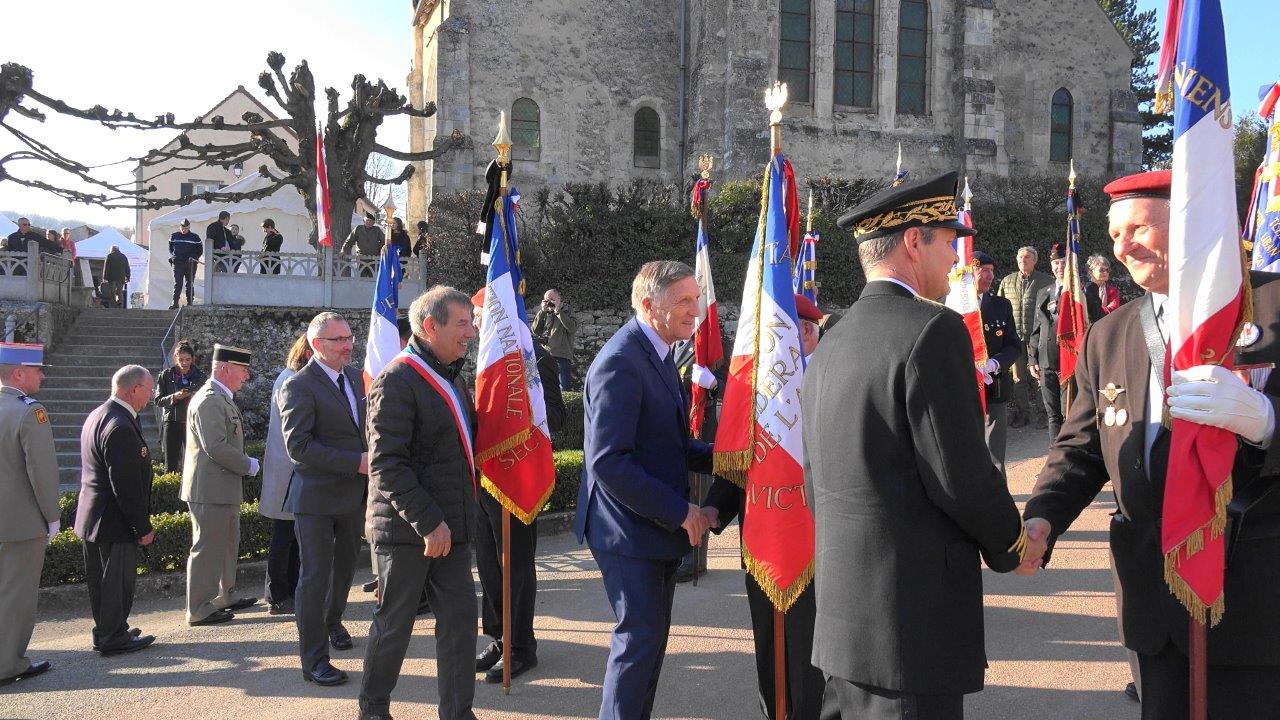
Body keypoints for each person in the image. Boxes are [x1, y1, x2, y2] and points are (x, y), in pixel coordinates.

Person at [1021, 169, 1280, 718]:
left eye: (1138, 229)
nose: (1122, 248)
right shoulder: (1109, 333)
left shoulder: (1272, 304)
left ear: (1191, 223)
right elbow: (1081, 446)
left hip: (1254, 602)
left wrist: (1268, 422)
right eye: (1114, 235)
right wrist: (1041, 517)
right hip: (1151, 604)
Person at [803, 172, 1037, 719]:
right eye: (948, 241)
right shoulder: (934, 332)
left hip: (842, 625)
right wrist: (1012, 545)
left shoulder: (831, 342)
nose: (957, 258)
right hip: (909, 626)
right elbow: (961, 474)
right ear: (914, 241)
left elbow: (817, 483)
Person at [573, 260, 714, 720]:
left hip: (648, 528)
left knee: (649, 644)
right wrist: (680, 511)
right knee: (638, 643)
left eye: (697, 298)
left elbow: (674, 444)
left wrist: (732, 454)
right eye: (685, 301)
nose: (697, 309)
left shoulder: (658, 351)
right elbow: (609, 461)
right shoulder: (621, 360)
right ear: (649, 305)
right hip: (626, 531)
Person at [699, 292, 825, 720]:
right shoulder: (756, 389)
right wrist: (715, 509)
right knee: (767, 639)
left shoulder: (829, 378)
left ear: (806, 332)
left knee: (812, 644)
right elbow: (738, 457)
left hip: (815, 538)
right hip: (764, 534)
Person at [359, 286, 479, 720]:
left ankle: (457, 713)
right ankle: (373, 710)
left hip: (453, 530)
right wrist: (429, 522)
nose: (470, 332)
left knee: (461, 624)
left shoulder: (453, 376)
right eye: (462, 323)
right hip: (408, 533)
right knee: (394, 627)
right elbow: (387, 465)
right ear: (430, 326)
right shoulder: (397, 380)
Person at [470, 288, 567, 685]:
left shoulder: (535, 358)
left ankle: (522, 647)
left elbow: (557, 418)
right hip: (481, 479)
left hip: (517, 475)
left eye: (478, 317)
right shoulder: (475, 362)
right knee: (489, 566)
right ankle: (498, 637)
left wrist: (517, 419)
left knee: (516, 567)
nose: (474, 325)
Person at [279, 312, 368, 687]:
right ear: (318, 345)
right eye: (339, 340)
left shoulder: (353, 377)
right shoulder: (299, 386)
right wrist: (355, 462)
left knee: (346, 568)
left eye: (349, 337)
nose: (348, 345)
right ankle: (313, 660)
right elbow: (298, 447)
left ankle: (333, 622)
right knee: (314, 578)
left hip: (352, 497)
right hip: (315, 500)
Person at [75, 365, 157, 657]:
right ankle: (112, 637)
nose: (151, 396)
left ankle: (110, 629)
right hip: (113, 519)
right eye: (149, 390)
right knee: (116, 583)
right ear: (133, 389)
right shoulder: (120, 425)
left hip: (93, 517)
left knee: (101, 582)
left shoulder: (100, 414)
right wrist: (142, 527)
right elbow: (126, 486)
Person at [180, 344, 261, 626]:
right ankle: (199, 607)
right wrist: (249, 465)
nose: (246, 377)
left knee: (227, 544)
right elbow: (215, 446)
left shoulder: (220, 398)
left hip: (222, 488)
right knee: (207, 547)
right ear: (225, 368)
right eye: (242, 370)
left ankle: (224, 595)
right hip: (209, 490)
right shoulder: (210, 399)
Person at [0, 343, 58, 687]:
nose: (43, 374)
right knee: (16, 595)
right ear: (19, 374)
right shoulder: (29, 412)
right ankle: (8, 663)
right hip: (21, 523)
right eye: (37, 369)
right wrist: (52, 516)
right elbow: (43, 471)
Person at [260, 334, 311, 616]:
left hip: (287, 470)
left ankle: (286, 590)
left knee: (291, 536)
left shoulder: (289, 378)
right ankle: (277, 594)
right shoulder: (291, 380)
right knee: (283, 537)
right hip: (288, 470)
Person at [975, 251, 1022, 482]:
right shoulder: (949, 305)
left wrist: (995, 363)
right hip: (962, 388)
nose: (990, 276)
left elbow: (1014, 345)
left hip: (994, 386)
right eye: (984, 271)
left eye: (992, 271)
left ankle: (999, 501)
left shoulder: (1001, 306)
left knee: (995, 452)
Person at [996, 245, 1053, 429]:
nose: (1023, 260)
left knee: (1040, 376)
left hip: (1038, 336)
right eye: (1020, 257)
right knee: (1019, 378)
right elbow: (1000, 307)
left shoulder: (1046, 281)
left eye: (1027, 257)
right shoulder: (1007, 281)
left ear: (1035, 260)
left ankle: (1044, 414)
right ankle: (1023, 413)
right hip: (1015, 338)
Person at [1028, 243, 1068, 442]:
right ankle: (1055, 458)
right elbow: (1037, 328)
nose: (1059, 266)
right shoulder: (1044, 291)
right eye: (1055, 262)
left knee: (1068, 413)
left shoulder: (1080, 291)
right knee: (1053, 415)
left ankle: (1070, 456)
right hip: (1045, 361)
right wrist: (1031, 357)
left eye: (1063, 262)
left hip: (1069, 362)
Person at [155, 340, 205, 474]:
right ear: (175, 358)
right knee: (171, 464)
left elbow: (207, 401)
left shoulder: (201, 377)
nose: (184, 363)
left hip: (192, 423)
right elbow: (158, 400)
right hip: (172, 422)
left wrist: (194, 395)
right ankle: (171, 491)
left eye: (188, 359)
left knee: (194, 461)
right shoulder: (166, 375)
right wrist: (174, 397)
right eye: (181, 359)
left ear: (193, 359)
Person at [531, 289, 580, 391]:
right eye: (546, 300)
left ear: (559, 299)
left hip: (561, 355)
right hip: (545, 355)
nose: (549, 302)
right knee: (545, 388)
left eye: (552, 299)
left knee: (563, 388)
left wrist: (558, 311)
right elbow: (535, 331)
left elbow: (572, 328)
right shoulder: (544, 312)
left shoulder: (567, 310)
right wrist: (542, 311)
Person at [168, 219, 202, 309]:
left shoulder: (195, 237)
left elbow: (200, 251)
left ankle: (190, 302)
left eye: (186, 228)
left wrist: (194, 258)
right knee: (177, 283)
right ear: (180, 227)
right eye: (182, 228)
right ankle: (175, 303)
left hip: (190, 263)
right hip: (178, 263)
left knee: (190, 283)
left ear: (189, 227)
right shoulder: (174, 236)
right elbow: (171, 248)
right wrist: (175, 257)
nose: (184, 230)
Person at [103, 244, 131, 309]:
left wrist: (105, 278)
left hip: (112, 278)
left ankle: (113, 306)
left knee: (112, 292)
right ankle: (120, 303)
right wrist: (128, 277)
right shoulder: (124, 256)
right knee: (119, 291)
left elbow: (106, 268)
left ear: (112, 249)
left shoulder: (109, 256)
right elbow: (127, 268)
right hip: (121, 278)